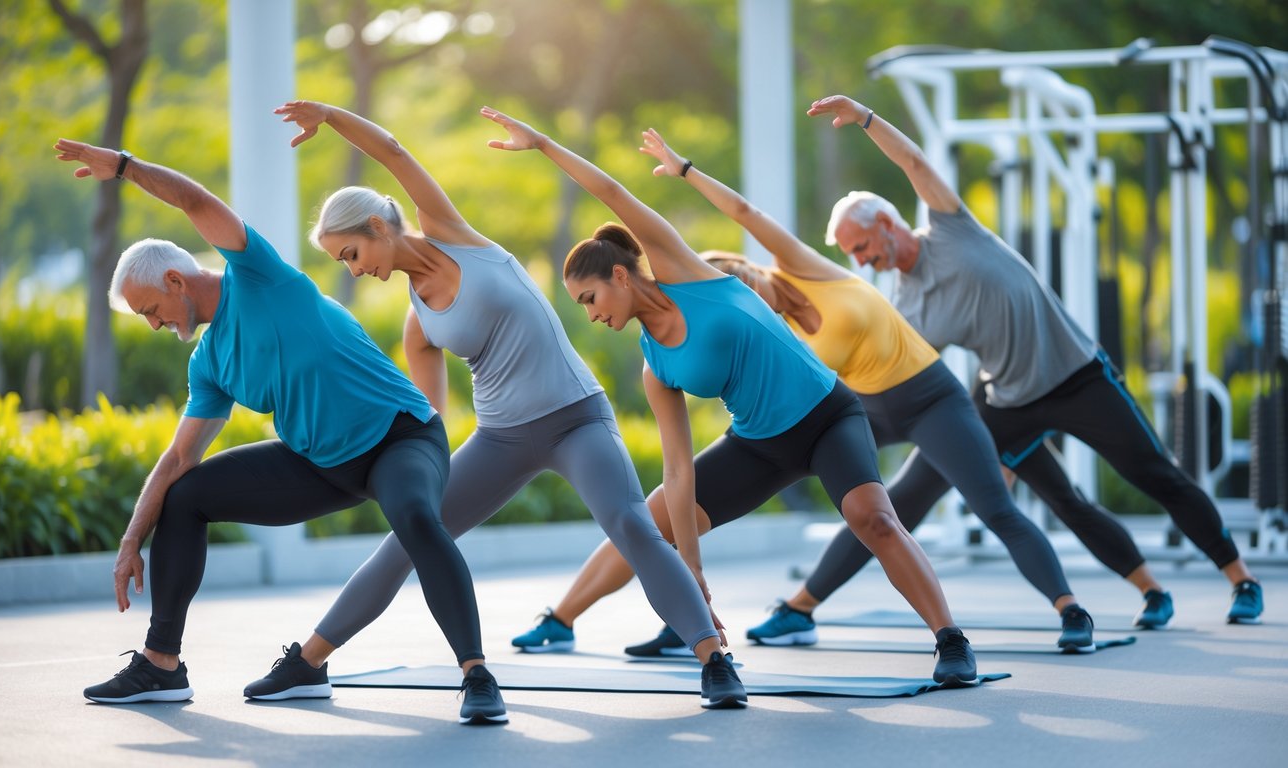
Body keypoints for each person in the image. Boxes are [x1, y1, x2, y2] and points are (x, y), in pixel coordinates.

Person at [238, 101, 746, 711]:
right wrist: (412, 481)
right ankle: (308, 661)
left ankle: (714, 660)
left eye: (350, 254)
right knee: (407, 538)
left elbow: (393, 151)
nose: (354, 269)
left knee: (633, 525)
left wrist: (331, 116)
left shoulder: (453, 235)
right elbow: (429, 421)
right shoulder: (418, 324)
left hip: (575, 419)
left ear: (378, 227)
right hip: (501, 440)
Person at [482, 106, 979, 687]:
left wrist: (544, 144)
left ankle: (951, 641)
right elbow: (678, 470)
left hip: (827, 417)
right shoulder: (655, 366)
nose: (590, 315)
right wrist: (692, 569)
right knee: (648, 522)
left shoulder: (684, 271)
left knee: (873, 518)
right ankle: (567, 619)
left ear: (619, 276)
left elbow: (612, 192)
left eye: (589, 299)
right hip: (759, 444)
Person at [55, 138, 506, 725]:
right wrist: (130, 541)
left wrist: (124, 167)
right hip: (322, 465)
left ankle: (476, 675)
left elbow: (195, 201)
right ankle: (161, 665)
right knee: (185, 496)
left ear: (175, 280)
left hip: (401, 439)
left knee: (417, 518)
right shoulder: (209, 362)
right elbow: (179, 458)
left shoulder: (257, 275)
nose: (154, 324)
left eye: (149, 310)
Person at [805, 92, 1264, 627]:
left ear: (886, 222)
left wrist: (865, 117)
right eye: (852, 256)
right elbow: (884, 369)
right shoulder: (905, 307)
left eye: (860, 247)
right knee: (1055, 500)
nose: (861, 261)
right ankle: (1152, 593)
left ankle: (1242, 579)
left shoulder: (951, 226)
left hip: (1078, 376)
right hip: (1006, 400)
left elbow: (914, 162)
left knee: (1156, 474)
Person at [635, 128, 1095, 652]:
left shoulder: (803, 270)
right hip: (866, 410)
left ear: (752, 274)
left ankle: (1070, 610)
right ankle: (794, 610)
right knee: (867, 514)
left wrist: (686, 170)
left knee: (989, 508)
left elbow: (744, 212)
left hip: (929, 400)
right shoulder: (770, 336)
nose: (746, 299)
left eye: (745, 285)